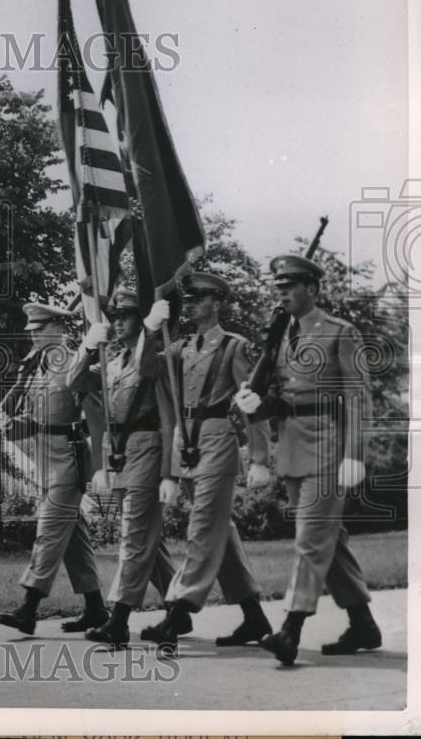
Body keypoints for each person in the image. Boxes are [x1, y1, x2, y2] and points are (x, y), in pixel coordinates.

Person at [236, 255, 381, 666]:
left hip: (330, 448)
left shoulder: (340, 332)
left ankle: (290, 630)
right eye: (277, 288)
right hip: (294, 447)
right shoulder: (281, 338)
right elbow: (281, 402)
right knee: (328, 543)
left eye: (289, 287)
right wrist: (254, 404)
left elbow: (357, 397)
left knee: (310, 539)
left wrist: (355, 455)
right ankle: (364, 624)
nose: (281, 293)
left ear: (312, 290)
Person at [139, 272, 273, 656]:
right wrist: (150, 329)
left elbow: (252, 403)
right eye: (189, 298)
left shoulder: (234, 346)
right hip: (187, 442)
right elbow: (147, 370)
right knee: (219, 532)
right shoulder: (179, 348)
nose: (191, 304)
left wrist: (260, 458)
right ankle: (254, 617)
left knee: (201, 529)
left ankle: (176, 612)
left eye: (199, 298)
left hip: (216, 440)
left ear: (217, 303)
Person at [66, 290, 188, 649]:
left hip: (149, 450)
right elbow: (74, 383)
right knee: (147, 540)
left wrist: (170, 472)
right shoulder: (112, 361)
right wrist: (88, 347)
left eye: (126, 316)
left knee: (133, 537)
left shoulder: (156, 356)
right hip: (121, 454)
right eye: (114, 316)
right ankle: (178, 610)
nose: (118, 322)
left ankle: (118, 619)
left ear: (142, 319)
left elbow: (164, 411)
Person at [0, 302, 108, 636]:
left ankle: (28, 609)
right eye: (32, 330)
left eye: (40, 330)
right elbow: (36, 420)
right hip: (44, 460)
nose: (34, 336)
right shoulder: (38, 367)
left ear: (59, 329)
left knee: (49, 531)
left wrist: (100, 468)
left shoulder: (76, 366)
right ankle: (97, 608)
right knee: (73, 540)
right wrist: (8, 425)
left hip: (69, 460)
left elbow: (96, 419)